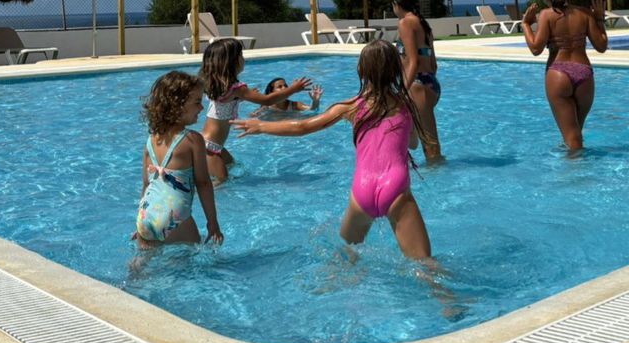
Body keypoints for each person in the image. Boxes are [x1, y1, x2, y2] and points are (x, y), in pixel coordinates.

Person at [231, 40, 435, 259]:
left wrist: (262, 126)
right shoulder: (405, 104)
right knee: (425, 264)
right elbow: (413, 143)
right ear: (396, 69)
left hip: (362, 189)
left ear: (361, 70)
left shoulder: (350, 107)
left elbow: (302, 127)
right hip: (395, 187)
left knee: (346, 256)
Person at [199, 39, 313, 182]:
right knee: (221, 182)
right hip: (210, 147)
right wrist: (293, 89)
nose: (243, 59)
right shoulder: (237, 88)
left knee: (233, 166)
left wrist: (243, 97)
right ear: (233, 62)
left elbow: (224, 103)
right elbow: (267, 100)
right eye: (240, 55)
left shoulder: (218, 86)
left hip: (207, 142)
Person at [522, 0, 609, 152]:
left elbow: (536, 49)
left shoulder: (546, 15)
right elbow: (601, 46)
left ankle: (576, 168)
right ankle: (575, 158)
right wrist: (600, 19)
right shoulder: (585, 14)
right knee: (576, 132)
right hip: (584, 73)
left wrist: (526, 25)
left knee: (572, 137)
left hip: (559, 73)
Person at [135, 71, 223, 246]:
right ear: (176, 105)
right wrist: (212, 222)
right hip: (174, 218)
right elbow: (203, 183)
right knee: (192, 255)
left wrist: (142, 222)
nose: (201, 108)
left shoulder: (150, 141)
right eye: (197, 102)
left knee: (142, 261)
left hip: (146, 216)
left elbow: (146, 185)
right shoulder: (192, 140)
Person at [393, 0, 444, 163]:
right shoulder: (423, 23)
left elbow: (413, 61)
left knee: (430, 146)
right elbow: (433, 64)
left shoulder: (405, 23)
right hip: (429, 82)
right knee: (419, 139)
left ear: (396, 4)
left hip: (417, 85)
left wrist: (402, 90)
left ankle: (437, 174)